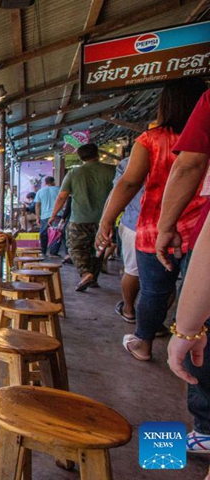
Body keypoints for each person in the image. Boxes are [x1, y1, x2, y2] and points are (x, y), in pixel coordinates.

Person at [97, 78, 207, 361]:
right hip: (201, 229)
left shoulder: (151, 140)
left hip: (155, 227)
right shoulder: (205, 135)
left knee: (155, 289)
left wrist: (106, 220)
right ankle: (194, 348)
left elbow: (129, 183)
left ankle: (143, 342)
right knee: (199, 294)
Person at [159, 86, 210, 454]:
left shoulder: (148, 140)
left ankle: (205, 431)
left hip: (171, 233)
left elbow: (189, 164)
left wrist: (188, 327)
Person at [49, 143, 115, 291]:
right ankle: (93, 278)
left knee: (74, 247)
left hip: (79, 218)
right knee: (98, 249)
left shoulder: (74, 173)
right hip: (105, 219)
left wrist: (53, 215)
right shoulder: (112, 171)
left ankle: (85, 273)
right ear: (97, 153)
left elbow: (62, 197)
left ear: (80, 156)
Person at [112, 157, 143, 322]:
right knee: (165, 279)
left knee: (132, 270)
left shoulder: (130, 162)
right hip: (181, 226)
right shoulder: (189, 153)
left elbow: (120, 189)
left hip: (135, 223)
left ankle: (129, 309)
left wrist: (107, 220)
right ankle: (155, 322)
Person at [34, 176, 61, 256]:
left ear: (45, 183)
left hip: (45, 215)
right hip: (57, 214)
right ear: (53, 182)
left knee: (43, 233)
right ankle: (54, 252)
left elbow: (37, 206)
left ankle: (43, 251)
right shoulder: (59, 189)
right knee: (57, 233)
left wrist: (37, 217)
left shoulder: (40, 191)